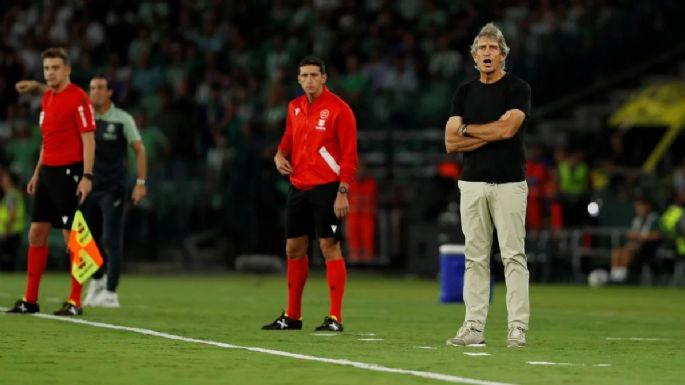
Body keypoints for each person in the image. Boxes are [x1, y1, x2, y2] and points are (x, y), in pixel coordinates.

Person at [16, 75, 148, 308]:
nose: (95, 92)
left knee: (108, 238)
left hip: (112, 187)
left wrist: (140, 182)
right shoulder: (83, 111)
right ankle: (96, 281)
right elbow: (64, 96)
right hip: (85, 186)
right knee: (89, 238)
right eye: (92, 88)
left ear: (110, 93)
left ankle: (110, 290)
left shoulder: (122, 119)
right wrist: (38, 87)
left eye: (100, 88)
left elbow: (139, 150)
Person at [444, 23, 531, 347]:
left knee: (513, 256)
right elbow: (450, 142)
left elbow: (508, 131)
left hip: (509, 182)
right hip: (472, 183)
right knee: (475, 258)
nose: (487, 53)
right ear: (473, 56)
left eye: (493, 48)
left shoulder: (518, 88)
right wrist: (487, 132)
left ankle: (517, 328)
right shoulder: (464, 92)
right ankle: (473, 328)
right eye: (482, 48)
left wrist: (468, 131)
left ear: (504, 55)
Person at [262, 56, 358, 332]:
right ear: (298, 79)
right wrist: (280, 155)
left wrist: (343, 191)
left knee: (329, 246)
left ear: (324, 78)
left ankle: (335, 318)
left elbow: (350, 155)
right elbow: (289, 139)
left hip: (327, 189)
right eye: (304, 75)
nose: (309, 80)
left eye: (314, 75)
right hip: (298, 187)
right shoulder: (294, 107)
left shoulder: (340, 110)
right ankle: (293, 316)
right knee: (293, 249)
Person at [6, 47, 96, 316]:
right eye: (46, 68)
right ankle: (30, 300)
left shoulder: (79, 99)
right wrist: (36, 173)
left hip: (70, 173)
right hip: (48, 174)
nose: (50, 72)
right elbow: (48, 140)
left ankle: (75, 302)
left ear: (67, 69)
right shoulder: (48, 98)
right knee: (36, 233)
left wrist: (87, 176)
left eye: (55, 67)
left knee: (73, 237)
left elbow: (89, 139)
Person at [610, 196, 661, 283]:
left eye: (640, 206)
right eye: (637, 207)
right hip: (637, 246)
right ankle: (615, 277)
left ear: (647, 207)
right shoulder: (637, 220)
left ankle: (622, 278)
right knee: (617, 251)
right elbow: (631, 235)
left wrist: (640, 236)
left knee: (627, 252)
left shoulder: (654, 218)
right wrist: (637, 237)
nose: (638, 209)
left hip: (649, 248)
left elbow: (657, 235)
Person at [0, 169, 26, 271]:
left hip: (10, 232)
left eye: (4, 179)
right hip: (14, 231)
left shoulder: (11, 195)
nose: (1, 181)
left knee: (7, 260)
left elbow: (12, 214)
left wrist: (6, 230)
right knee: (10, 259)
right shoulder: (13, 194)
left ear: (9, 181)